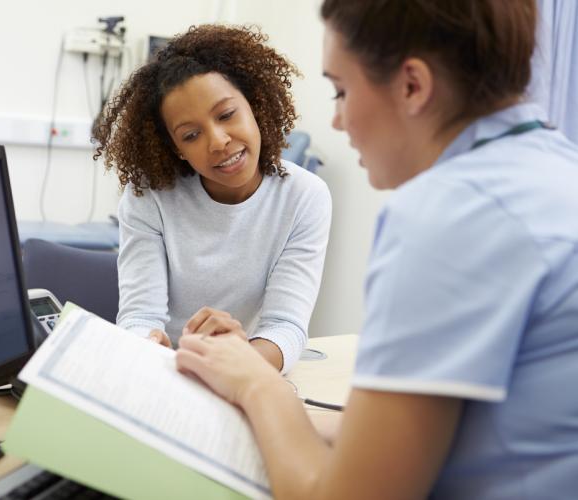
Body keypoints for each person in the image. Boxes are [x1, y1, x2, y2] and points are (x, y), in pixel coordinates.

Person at [175, 1, 578, 498]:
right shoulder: (554, 166)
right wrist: (272, 411)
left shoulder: (448, 215)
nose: (339, 121)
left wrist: (257, 384)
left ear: (412, 85)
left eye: (341, 90)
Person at [93, 25, 332, 373]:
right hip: (165, 373)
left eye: (226, 115)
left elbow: (286, 327)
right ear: (177, 149)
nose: (218, 141)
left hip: (241, 369)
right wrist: (145, 345)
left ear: (254, 104)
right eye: (191, 135)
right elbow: (139, 315)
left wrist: (235, 362)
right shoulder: (148, 195)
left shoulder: (304, 197)